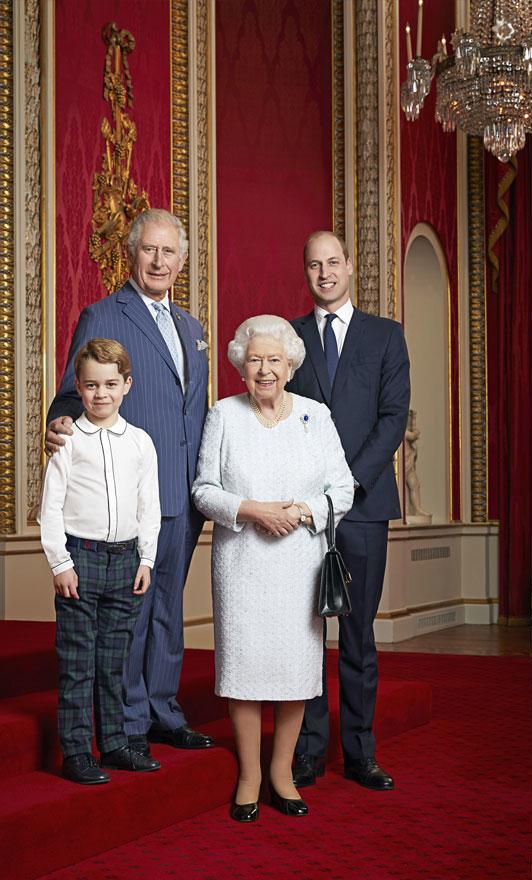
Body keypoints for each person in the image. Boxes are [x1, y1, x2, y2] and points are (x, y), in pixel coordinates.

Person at [45, 209, 214, 757]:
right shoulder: (104, 314)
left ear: (182, 260)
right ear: (131, 253)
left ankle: (164, 709)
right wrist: (60, 422)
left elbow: (194, 412)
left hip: (184, 494)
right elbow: (74, 392)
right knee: (131, 618)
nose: (160, 262)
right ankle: (126, 723)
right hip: (131, 493)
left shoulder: (192, 328)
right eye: (150, 250)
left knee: (168, 609)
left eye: (170, 253)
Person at [192, 315, 355, 822]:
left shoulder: (316, 415)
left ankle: (282, 773)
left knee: (294, 671)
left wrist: (302, 512)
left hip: (299, 562)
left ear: (290, 365)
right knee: (243, 668)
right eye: (255, 360)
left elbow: (343, 489)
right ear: (241, 364)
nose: (265, 370)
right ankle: (249, 775)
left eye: (275, 360)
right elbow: (203, 490)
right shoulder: (224, 414)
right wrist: (252, 510)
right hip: (241, 561)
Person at [288, 231, 411, 792]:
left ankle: (360, 751)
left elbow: (392, 420)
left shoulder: (386, 336)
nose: (324, 273)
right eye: (314, 265)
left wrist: (348, 483)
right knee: (308, 634)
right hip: (305, 511)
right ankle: (309, 750)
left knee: (358, 634)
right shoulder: (286, 338)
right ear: (307, 272)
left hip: (362, 507)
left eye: (332, 262)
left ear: (350, 267)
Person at [38, 338, 163, 784]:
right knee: (77, 661)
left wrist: (146, 559)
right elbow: (49, 508)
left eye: (111, 384)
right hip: (81, 559)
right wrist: (59, 563)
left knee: (113, 661)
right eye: (91, 385)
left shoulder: (141, 443)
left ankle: (113, 744)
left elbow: (150, 505)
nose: (101, 394)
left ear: (127, 384)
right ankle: (76, 751)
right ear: (79, 386)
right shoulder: (68, 441)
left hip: (126, 561)